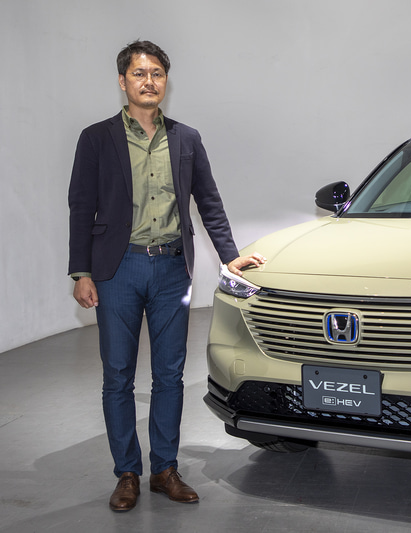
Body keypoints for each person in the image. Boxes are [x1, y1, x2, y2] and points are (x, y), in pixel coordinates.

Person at [68, 40, 265, 512]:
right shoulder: (96, 138)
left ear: (165, 81)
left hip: (173, 270)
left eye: (156, 73)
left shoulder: (186, 138)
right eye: (139, 73)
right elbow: (80, 206)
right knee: (118, 375)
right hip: (118, 269)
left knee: (170, 374)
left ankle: (164, 470)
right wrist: (81, 271)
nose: (149, 81)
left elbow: (209, 201)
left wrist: (230, 257)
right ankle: (127, 473)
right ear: (123, 81)